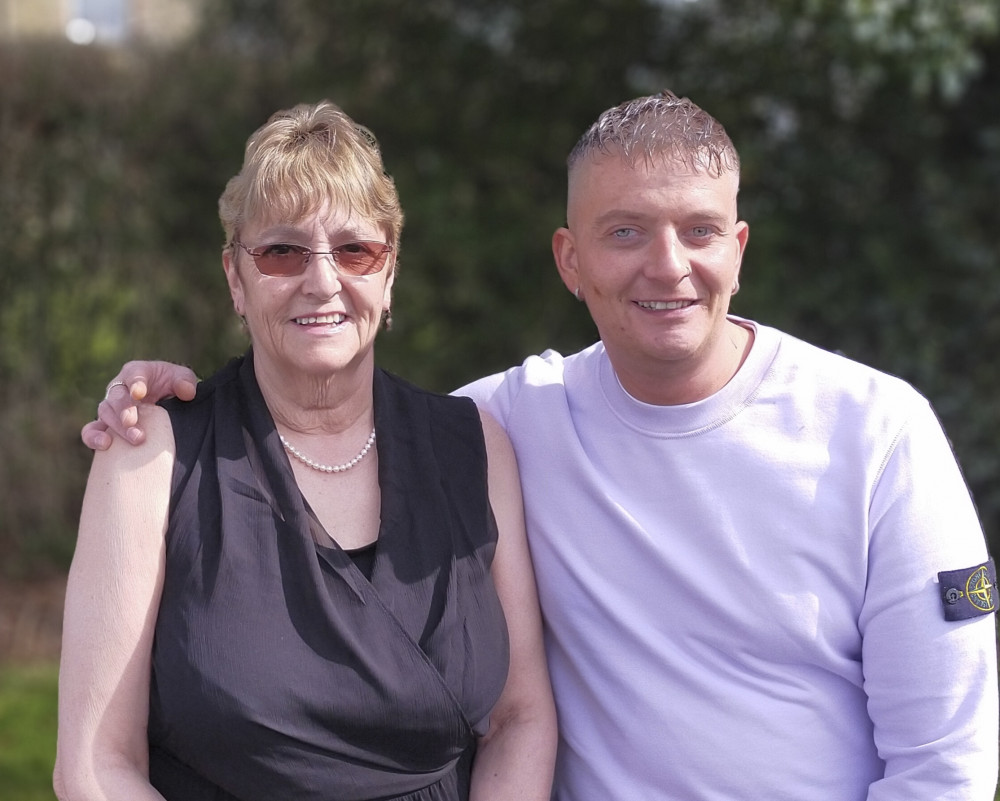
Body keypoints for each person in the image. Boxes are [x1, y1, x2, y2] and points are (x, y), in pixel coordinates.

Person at [82, 91, 998, 800]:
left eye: (700, 230)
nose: (667, 264)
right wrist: (151, 395)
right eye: (625, 231)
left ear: (741, 247)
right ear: (570, 259)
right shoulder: (512, 421)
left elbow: (947, 757)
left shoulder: (879, 433)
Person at [56, 100, 557, 801]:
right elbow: (93, 766)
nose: (321, 280)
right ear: (236, 277)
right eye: (282, 251)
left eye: (355, 249)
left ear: (389, 275)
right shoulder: (150, 453)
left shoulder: (474, 446)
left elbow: (520, 718)